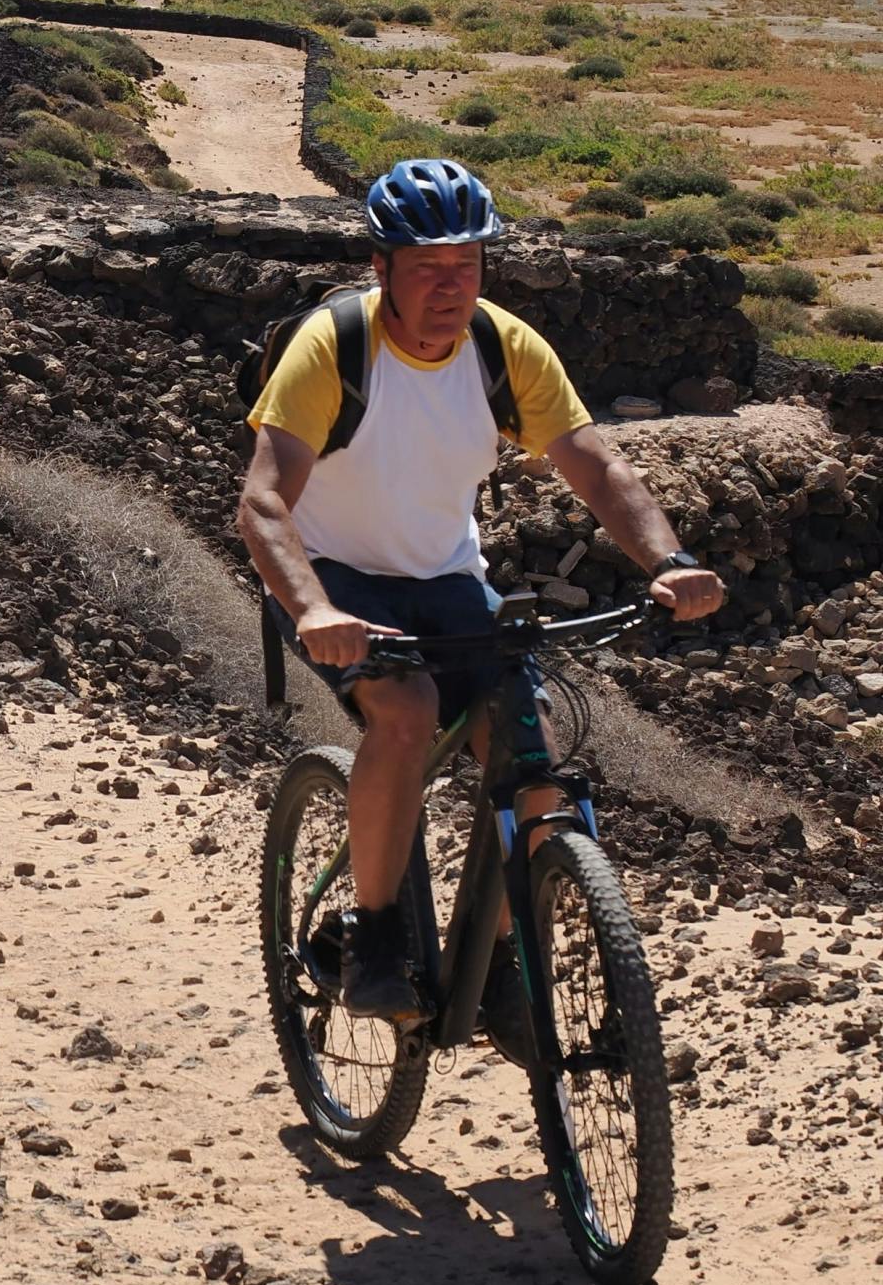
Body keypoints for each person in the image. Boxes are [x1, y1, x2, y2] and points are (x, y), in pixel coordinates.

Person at [237, 156, 724, 1039]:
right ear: (381, 268)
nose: (450, 286)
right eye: (426, 268)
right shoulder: (334, 346)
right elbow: (263, 500)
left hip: (447, 577)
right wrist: (312, 609)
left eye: (466, 265)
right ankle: (380, 939)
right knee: (408, 709)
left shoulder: (503, 347)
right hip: (333, 574)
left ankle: (502, 959)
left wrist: (669, 558)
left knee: (522, 736)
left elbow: (595, 463)